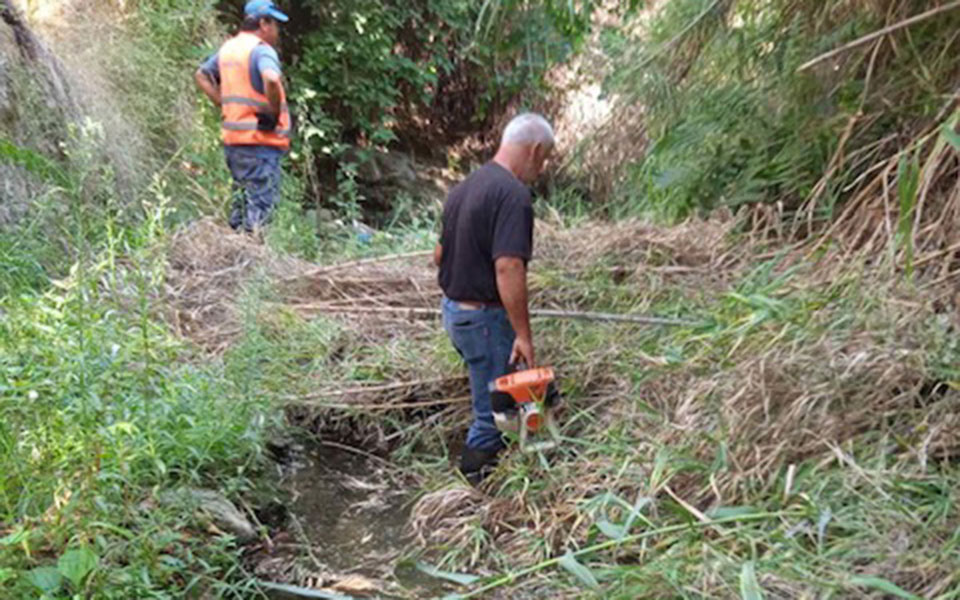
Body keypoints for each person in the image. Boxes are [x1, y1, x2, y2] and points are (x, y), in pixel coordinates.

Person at [435, 113, 555, 484]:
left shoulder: (465, 187)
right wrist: (523, 334)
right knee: (489, 418)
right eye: (546, 157)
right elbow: (508, 268)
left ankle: (516, 469)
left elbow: (439, 255)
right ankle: (472, 502)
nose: (544, 166)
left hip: (455, 313)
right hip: (483, 320)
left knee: (501, 396)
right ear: (534, 150)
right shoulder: (513, 195)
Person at [194, 0, 292, 232]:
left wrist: (221, 101)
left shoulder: (229, 49)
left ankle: (236, 254)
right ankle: (254, 260)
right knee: (260, 208)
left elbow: (201, 75)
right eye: (275, 25)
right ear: (263, 23)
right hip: (260, 142)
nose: (277, 32)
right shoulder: (261, 50)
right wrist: (273, 112)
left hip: (235, 143)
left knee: (241, 203)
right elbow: (270, 78)